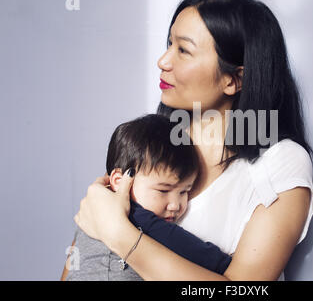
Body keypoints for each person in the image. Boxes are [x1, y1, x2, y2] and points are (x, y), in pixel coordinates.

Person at [74, 0, 313, 281]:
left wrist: (120, 235)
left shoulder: (281, 161)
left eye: (183, 50)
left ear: (234, 80)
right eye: (169, 44)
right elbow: (83, 260)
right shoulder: (155, 143)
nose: (163, 61)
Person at [62, 114, 232, 280]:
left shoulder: (92, 209)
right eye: (163, 191)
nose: (175, 205)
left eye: (184, 192)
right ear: (120, 181)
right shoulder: (141, 218)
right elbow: (211, 260)